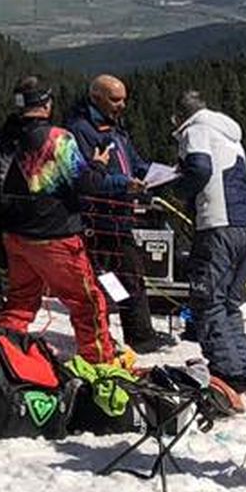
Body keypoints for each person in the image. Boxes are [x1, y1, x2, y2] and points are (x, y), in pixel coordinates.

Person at [0, 77, 121, 365]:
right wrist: (99, 163)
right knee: (87, 303)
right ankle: (100, 365)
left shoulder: (3, 138)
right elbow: (86, 183)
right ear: (47, 105)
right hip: (55, 233)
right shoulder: (58, 138)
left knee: (21, 301)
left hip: (14, 233)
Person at [166, 90, 246, 396]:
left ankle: (226, 372)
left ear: (180, 116)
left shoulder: (195, 130)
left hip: (217, 222)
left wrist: (178, 188)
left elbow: (200, 168)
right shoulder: (229, 133)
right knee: (230, 301)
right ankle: (241, 367)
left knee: (207, 300)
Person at [68, 74, 169, 353]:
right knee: (112, 275)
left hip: (120, 213)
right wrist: (125, 184)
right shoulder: (81, 130)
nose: (122, 105)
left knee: (127, 274)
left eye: (124, 99)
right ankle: (128, 335)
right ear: (96, 97)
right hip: (98, 216)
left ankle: (136, 333)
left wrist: (159, 174)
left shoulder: (115, 128)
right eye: (115, 99)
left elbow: (133, 162)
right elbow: (86, 177)